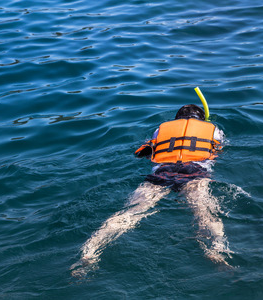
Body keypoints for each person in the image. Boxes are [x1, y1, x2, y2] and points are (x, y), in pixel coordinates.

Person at [71, 104, 231, 278]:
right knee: (204, 213)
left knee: (130, 213)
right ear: (202, 119)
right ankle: (217, 249)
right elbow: (218, 151)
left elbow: (142, 153)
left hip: (163, 173)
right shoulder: (213, 129)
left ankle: (90, 251)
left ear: (176, 119)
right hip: (194, 173)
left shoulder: (160, 130)